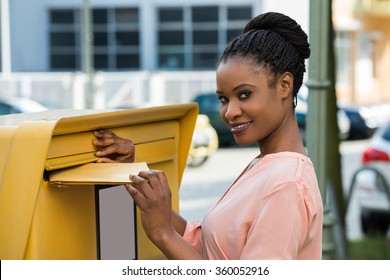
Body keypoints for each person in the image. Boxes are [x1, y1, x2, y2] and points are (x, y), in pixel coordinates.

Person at [94, 12, 323, 260]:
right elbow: (211, 249)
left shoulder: (286, 184)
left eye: (244, 94)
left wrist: (162, 233)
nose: (230, 112)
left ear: (284, 86)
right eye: (224, 99)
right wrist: (133, 175)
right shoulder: (266, 166)